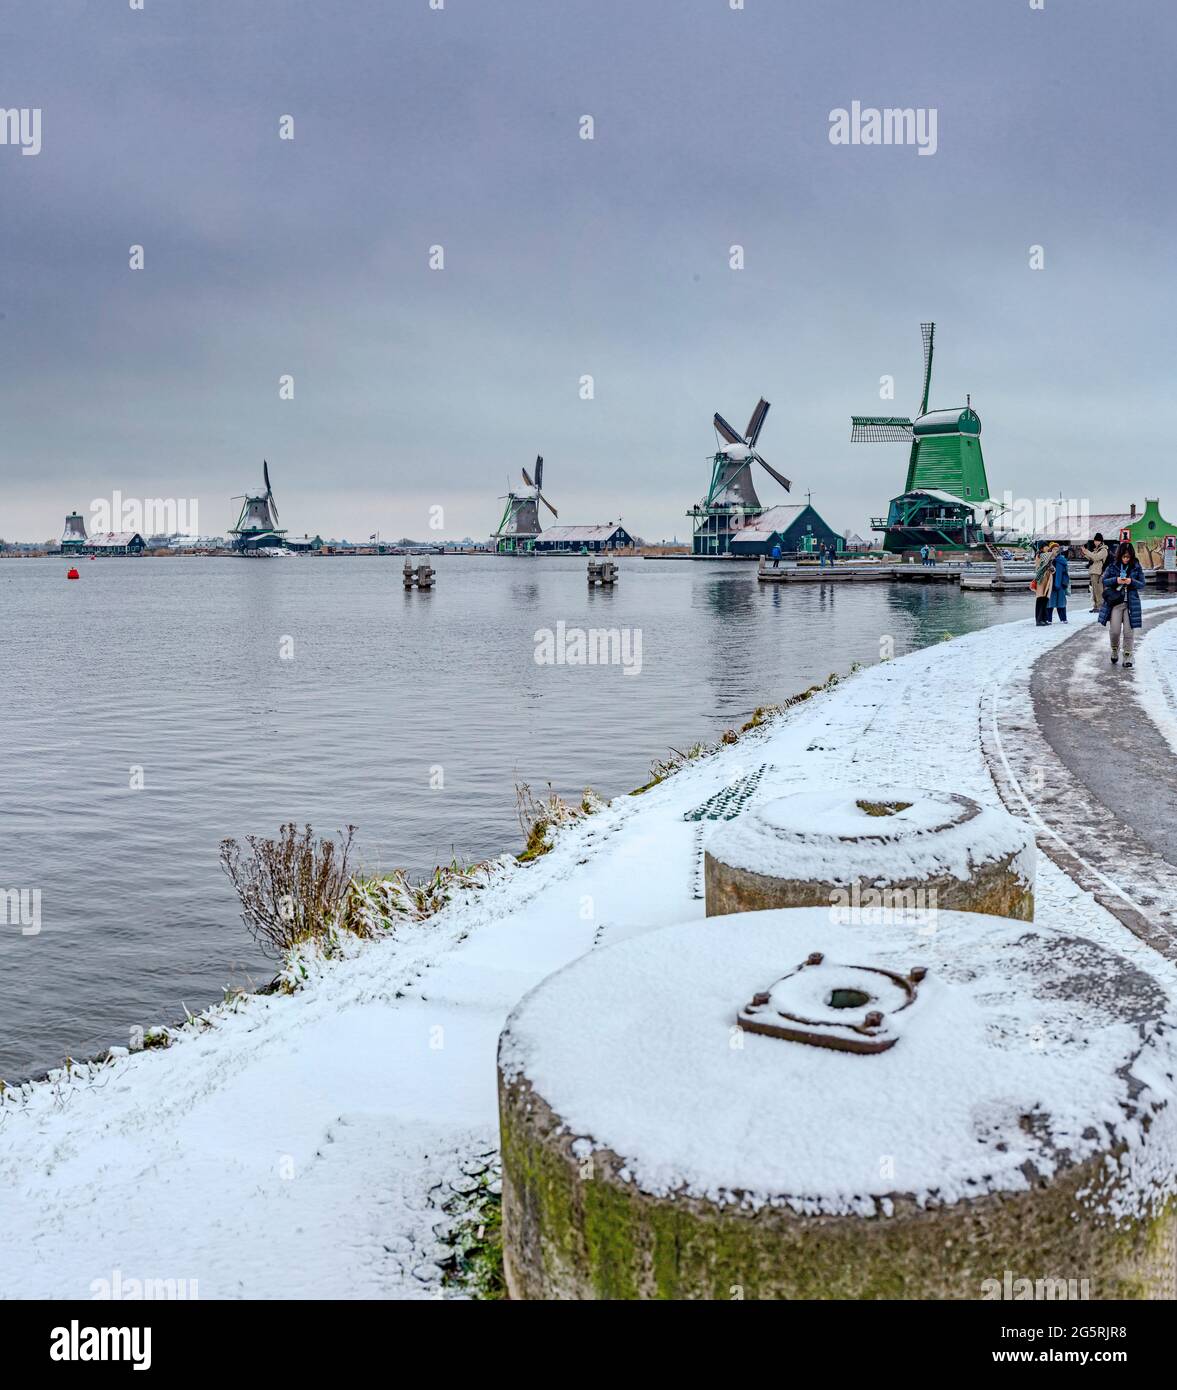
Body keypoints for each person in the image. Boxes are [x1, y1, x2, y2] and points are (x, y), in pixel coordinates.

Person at [1099, 540, 1145, 667]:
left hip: (1130, 604)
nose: (1126, 559)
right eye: (1124, 556)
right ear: (1120, 555)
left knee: (1129, 632)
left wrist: (1131, 581)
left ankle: (1128, 657)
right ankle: (1114, 650)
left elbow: (1142, 584)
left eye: (1128, 557)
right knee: (1115, 631)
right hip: (1116, 603)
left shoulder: (1136, 566)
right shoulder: (1113, 566)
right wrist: (1116, 580)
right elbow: (1104, 580)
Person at [1081, 532, 1108, 612]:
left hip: (1098, 573)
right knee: (1094, 591)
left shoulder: (1104, 550)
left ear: (1101, 541)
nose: (1095, 542)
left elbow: (1095, 557)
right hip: (1093, 571)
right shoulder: (1096, 550)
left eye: (1097, 541)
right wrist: (1084, 553)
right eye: (1095, 541)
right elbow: (1091, 558)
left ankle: (1100, 607)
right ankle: (1096, 606)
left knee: (1099, 591)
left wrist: (1086, 551)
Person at [1045, 543, 1069, 623]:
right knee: (1050, 602)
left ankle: (1063, 619)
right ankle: (1048, 619)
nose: (1056, 551)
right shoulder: (1048, 560)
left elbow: (1066, 573)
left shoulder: (1062, 560)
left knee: (1061, 602)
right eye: (1054, 549)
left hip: (1060, 584)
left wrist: (1064, 583)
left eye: (1057, 549)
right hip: (1050, 584)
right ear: (1051, 550)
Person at [1032, 541, 1055, 624]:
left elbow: (1050, 566)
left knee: (1045, 599)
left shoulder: (1046, 555)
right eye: (1046, 546)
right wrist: (1053, 552)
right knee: (1040, 599)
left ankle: (1044, 619)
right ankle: (1039, 620)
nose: (1047, 548)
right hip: (1041, 579)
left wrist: (1052, 569)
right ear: (1042, 547)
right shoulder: (1039, 555)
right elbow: (1042, 566)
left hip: (1047, 578)